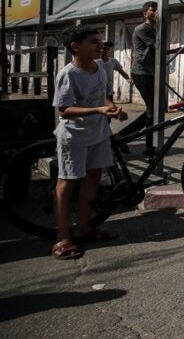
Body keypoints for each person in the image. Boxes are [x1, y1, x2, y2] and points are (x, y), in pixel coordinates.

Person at [51, 27, 128, 260]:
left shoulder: (100, 69)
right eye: (94, 42)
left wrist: (113, 109)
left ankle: (84, 226)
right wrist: (98, 109)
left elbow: (103, 95)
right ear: (76, 46)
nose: (100, 46)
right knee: (67, 182)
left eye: (101, 42)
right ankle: (62, 237)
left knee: (93, 177)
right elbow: (64, 109)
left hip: (98, 133)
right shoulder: (69, 74)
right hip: (74, 136)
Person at [122, 1, 184, 155]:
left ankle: (125, 137)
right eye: (153, 10)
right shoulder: (142, 29)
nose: (156, 13)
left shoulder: (153, 29)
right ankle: (144, 145)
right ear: (145, 13)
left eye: (157, 10)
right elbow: (157, 49)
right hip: (141, 72)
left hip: (150, 72)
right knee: (153, 110)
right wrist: (178, 50)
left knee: (156, 109)